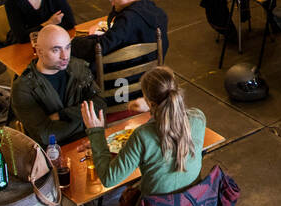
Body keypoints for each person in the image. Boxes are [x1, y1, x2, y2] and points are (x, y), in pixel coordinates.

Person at [9, 24, 112, 206]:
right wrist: (84, 116)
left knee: (121, 173)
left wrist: (63, 114)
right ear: (39, 51)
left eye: (67, 47)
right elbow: (46, 133)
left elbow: (101, 105)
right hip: (56, 153)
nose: (65, 55)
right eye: (56, 50)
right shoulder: (24, 87)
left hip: (88, 140)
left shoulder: (78, 68)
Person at [81, 66, 208, 197]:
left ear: (151, 102)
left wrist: (96, 133)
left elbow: (109, 179)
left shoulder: (142, 136)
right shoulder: (198, 118)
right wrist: (153, 110)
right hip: (193, 204)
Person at [72, 0, 170, 65]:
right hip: (152, 70)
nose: (112, 3)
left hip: (126, 77)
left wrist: (75, 42)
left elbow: (101, 47)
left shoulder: (128, 19)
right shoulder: (158, 12)